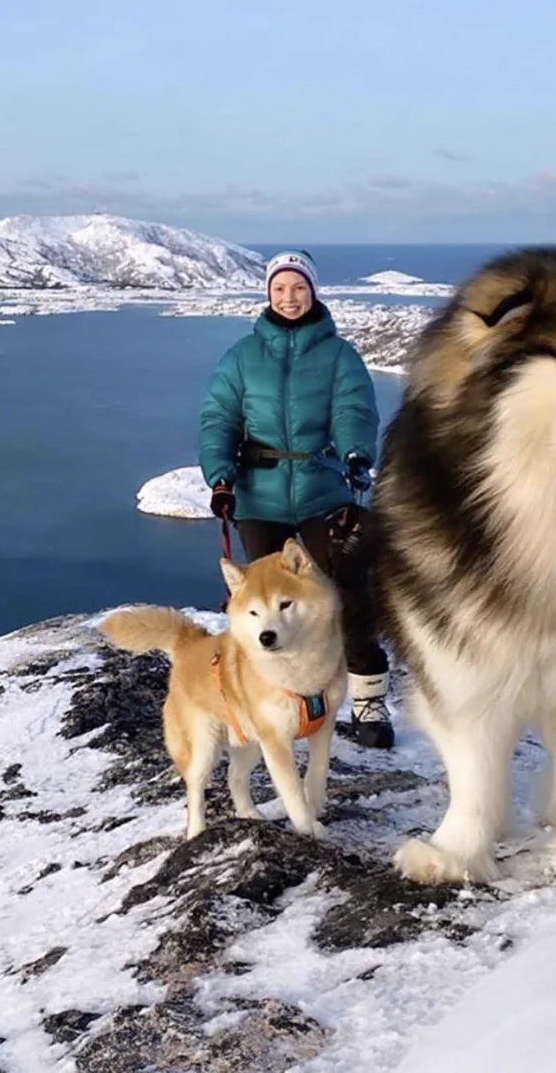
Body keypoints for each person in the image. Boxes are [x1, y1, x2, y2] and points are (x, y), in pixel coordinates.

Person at [199, 250, 394, 749]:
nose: (289, 298)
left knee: (345, 595)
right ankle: (283, 701)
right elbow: (219, 417)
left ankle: (369, 703)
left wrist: (355, 454)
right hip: (258, 496)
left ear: (313, 292)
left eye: (299, 288)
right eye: (280, 288)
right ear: (268, 293)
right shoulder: (242, 357)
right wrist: (220, 476)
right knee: (266, 608)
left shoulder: (339, 355)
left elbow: (355, 409)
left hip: (321, 491)